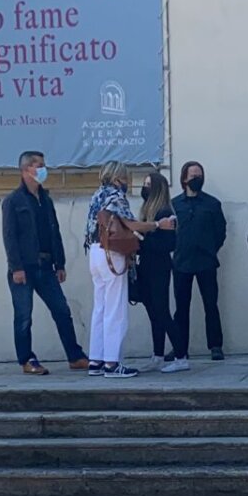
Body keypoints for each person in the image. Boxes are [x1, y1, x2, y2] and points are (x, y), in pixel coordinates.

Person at [1, 150, 89, 375]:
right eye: (38, 165)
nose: (42, 169)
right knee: (24, 316)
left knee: (61, 310)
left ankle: (75, 356)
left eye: (43, 165)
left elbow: (54, 232)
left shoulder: (45, 199)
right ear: (26, 170)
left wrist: (60, 263)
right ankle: (27, 359)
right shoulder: (13, 201)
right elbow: (9, 237)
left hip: (46, 266)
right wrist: (16, 268)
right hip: (24, 268)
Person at [84, 161, 169, 379]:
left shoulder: (97, 195)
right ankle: (112, 363)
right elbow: (131, 225)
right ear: (116, 178)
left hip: (94, 252)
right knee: (115, 309)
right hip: (111, 253)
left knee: (100, 308)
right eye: (125, 178)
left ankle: (96, 360)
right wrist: (159, 225)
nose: (127, 182)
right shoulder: (116, 197)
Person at [169, 160, 227, 365]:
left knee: (211, 305)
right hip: (181, 262)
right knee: (181, 307)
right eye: (193, 175)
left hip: (206, 262)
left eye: (200, 175)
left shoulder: (212, 204)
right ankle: (179, 348)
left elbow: (221, 232)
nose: (197, 179)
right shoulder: (174, 205)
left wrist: (211, 249)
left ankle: (216, 346)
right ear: (184, 179)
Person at [136, 170, 178, 367]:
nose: (145, 188)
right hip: (145, 266)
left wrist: (143, 239)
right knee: (153, 311)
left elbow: (169, 244)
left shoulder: (164, 213)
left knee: (162, 311)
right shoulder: (147, 212)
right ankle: (158, 353)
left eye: (148, 185)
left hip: (159, 267)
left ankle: (181, 355)